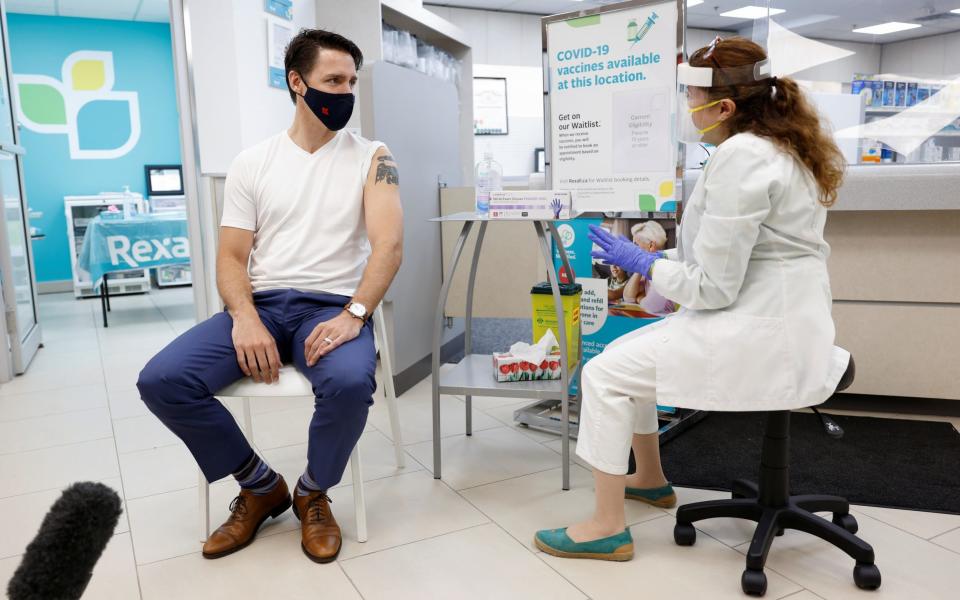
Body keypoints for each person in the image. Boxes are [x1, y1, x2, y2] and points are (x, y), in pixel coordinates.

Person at [535, 36, 850, 561]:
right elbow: (729, 256)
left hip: (759, 329)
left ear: (723, 107)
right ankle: (652, 480)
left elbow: (712, 286)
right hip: (778, 316)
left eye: (689, 101)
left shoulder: (743, 157)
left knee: (603, 375)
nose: (685, 112)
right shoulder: (781, 147)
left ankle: (607, 526)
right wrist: (658, 258)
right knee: (617, 360)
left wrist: (643, 263)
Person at [136, 29, 403, 564]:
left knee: (351, 382)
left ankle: (313, 491)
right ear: (297, 82)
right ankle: (260, 485)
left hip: (330, 307)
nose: (345, 92)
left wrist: (355, 314)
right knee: (162, 380)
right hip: (261, 304)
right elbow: (232, 258)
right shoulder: (253, 162)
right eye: (333, 80)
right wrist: (244, 316)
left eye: (352, 81)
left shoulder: (373, 156)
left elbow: (389, 244)